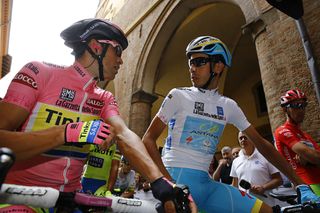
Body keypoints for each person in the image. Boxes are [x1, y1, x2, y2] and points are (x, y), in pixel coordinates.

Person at [0, 18, 196, 213]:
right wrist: (65, 133)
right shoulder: (39, 72)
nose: (121, 60)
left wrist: (159, 181)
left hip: (69, 201)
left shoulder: (104, 97)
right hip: (22, 196)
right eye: (117, 50)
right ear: (95, 46)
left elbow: (124, 135)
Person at [142, 35, 320, 212]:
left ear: (218, 66)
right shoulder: (179, 96)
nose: (192, 68)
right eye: (191, 62)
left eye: (199, 62)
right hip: (176, 180)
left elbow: (263, 145)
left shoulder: (228, 106)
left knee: (268, 211)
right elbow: (148, 139)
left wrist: (300, 184)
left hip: (208, 186)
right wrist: (167, 183)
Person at [274, 89, 320, 196]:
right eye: (296, 105)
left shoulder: (305, 135)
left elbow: (315, 156)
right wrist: (311, 157)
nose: (301, 109)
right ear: (285, 109)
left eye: (303, 105)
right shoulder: (282, 131)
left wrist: (309, 160)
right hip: (307, 185)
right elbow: (315, 156)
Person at [231, 131, 283, 206]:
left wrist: (263, 187)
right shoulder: (235, 161)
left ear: (252, 138)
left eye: (245, 137)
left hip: (266, 203)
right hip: (246, 205)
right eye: (240, 138)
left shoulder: (265, 155)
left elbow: (279, 180)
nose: (243, 140)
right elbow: (235, 185)